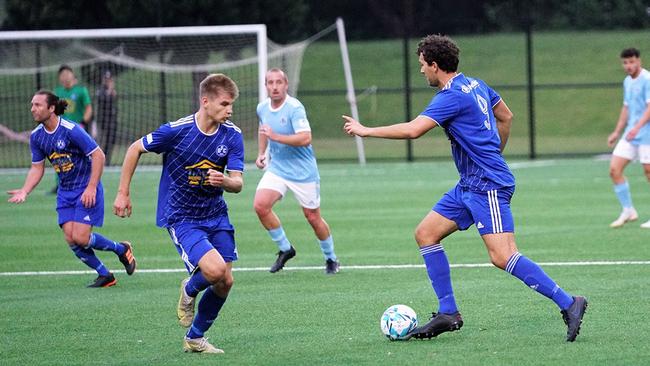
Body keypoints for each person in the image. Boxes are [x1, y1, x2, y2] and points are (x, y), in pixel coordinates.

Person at [343, 35, 587, 342]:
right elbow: (506, 116)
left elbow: (414, 130)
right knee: (426, 234)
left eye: (422, 65)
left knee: (503, 256)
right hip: (469, 184)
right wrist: (494, 150)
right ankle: (449, 313)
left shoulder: (450, 96)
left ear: (435, 65)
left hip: (488, 186)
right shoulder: (475, 84)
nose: (421, 71)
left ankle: (570, 302)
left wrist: (367, 131)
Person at [113, 73, 244, 354]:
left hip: (216, 215)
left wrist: (225, 181)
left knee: (226, 281)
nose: (229, 110)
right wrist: (123, 192)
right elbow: (135, 148)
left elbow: (238, 183)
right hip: (182, 215)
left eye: (231, 104)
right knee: (215, 270)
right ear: (205, 101)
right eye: (224, 104)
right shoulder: (177, 131)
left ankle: (195, 338)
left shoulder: (232, 135)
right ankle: (189, 288)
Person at [7, 90, 136, 288]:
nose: (32, 109)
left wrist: (92, 187)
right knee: (71, 238)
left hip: (86, 188)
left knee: (81, 237)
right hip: (66, 191)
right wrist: (25, 190)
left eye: (38, 105)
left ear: (51, 109)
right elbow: (37, 167)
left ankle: (121, 249)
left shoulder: (70, 129)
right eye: (32, 104)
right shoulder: (36, 137)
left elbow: (98, 155)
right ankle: (105, 274)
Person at [254, 68, 340, 274]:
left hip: (303, 172)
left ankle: (331, 258)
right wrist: (261, 153)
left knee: (312, 217)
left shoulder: (294, 108)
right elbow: (264, 130)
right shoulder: (262, 108)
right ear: (266, 86)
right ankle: (285, 249)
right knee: (260, 205)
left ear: (286, 85)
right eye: (270, 83)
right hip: (278, 169)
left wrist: (276, 137)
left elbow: (305, 138)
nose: (274, 87)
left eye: (278, 82)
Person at [607, 47, 650, 229]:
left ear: (639, 61)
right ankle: (628, 210)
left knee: (649, 172)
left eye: (632, 61)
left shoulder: (647, 79)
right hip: (631, 134)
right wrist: (617, 132)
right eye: (625, 62)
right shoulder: (627, 82)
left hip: (646, 134)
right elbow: (626, 108)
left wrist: (637, 127)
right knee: (614, 170)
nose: (629, 66)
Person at [51, 65, 93, 194]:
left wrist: (83, 123)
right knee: (58, 156)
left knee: (82, 156)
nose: (65, 76)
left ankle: (87, 182)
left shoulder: (81, 91)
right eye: (62, 74)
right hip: (61, 131)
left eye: (67, 73)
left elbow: (88, 108)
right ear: (59, 78)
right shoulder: (57, 92)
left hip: (77, 131)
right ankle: (59, 185)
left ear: (72, 75)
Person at [95, 70, 118, 166]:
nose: (108, 81)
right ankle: (100, 160)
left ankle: (107, 160)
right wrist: (109, 91)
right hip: (103, 120)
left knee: (111, 140)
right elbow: (103, 101)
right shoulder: (100, 91)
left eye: (109, 79)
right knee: (101, 140)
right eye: (106, 79)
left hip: (112, 120)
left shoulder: (112, 91)